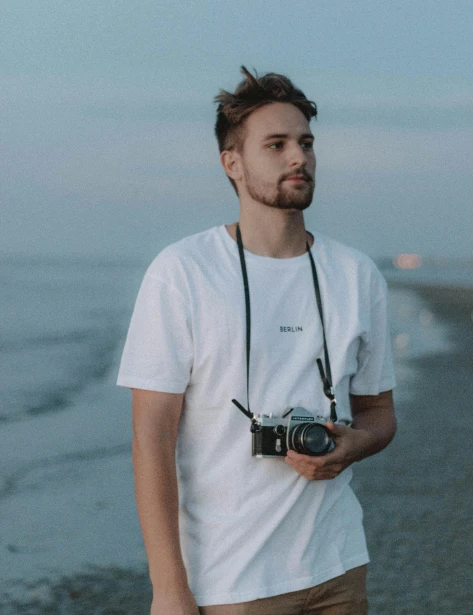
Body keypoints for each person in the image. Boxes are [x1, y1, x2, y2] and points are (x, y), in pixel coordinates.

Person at [117, 67, 397, 615]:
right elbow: (151, 442)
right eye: (277, 145)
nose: (299, 157)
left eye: (306, 143)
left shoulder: (356, 275)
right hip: (230, 581)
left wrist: (351, 446)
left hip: (338, 566)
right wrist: (169, 589)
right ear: (233, 163)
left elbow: (381, 413)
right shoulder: (184, 272)